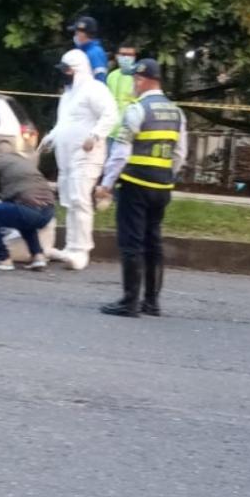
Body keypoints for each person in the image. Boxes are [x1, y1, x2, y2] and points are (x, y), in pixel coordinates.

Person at [95, 58, 187, 318]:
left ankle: (130, 302)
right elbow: (180, 153)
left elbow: (120, 153)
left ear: (142, 80)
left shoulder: (136, 110)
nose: (133, 85)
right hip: (162, 186)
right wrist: (167, 174)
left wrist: (106, 184)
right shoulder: (177, 113)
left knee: (131, 242)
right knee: (153, 241)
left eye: (135, 80)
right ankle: (151, 302)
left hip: (135, 185)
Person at [40, 49, 117, 270]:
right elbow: (63, 124)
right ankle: (71, 247)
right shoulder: (68, 96)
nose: (64, 74)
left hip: (87, 155)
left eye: (67, 70)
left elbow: (110, 114)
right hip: (67, 157)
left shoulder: (94, 89)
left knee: (80, 200)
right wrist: (50, 139)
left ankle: (82, 250)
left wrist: (95, 135)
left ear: (77, 70)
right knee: (70, 201)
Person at [0, 142, 55, 272]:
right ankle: (38, 257)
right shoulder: (24, 162)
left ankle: (3, 259)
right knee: (24, 219)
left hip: (28, 210)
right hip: (48, 211)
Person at [106, 43, 138, 149]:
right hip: (110, 131)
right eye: (123, 54)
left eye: (130, 55)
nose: (126, 58)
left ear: (134, 57)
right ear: (117, 56)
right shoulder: (111, 76)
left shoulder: (138, 77)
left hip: (128, 133)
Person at [67, 16, 109, 83]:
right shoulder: (83, 51)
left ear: (83, 34)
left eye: (77, 32)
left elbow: (100, 78)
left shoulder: (95, 52)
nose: (75, 35)